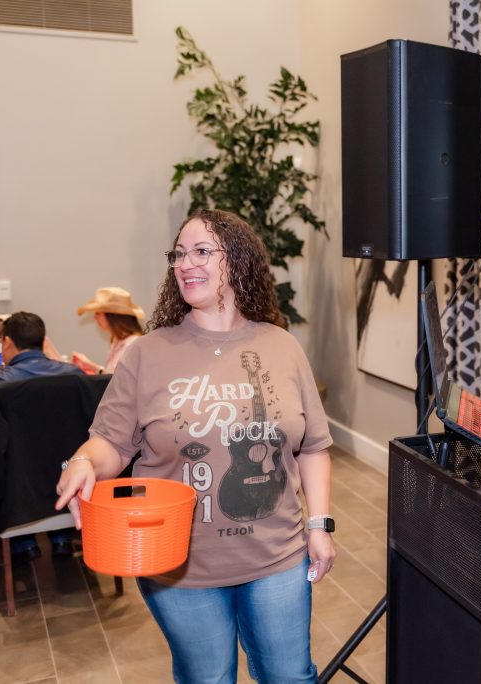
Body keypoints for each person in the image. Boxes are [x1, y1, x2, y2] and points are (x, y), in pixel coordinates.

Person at [55, 209, 335, 683]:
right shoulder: (147, 353)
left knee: (289, 676)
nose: (186, 264)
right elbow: (109, 443)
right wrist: (83, 461)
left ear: (239, 262)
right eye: (179, 255)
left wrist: (319, 524)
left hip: (278, 558)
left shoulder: (282, 346)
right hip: (178, 565)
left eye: (202, 251)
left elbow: (313, 447)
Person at [0, 312, 84, 563]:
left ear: (6, 343)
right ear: (43, 340)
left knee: (13, 463)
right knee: (59, 456)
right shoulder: (76, 375)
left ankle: (24, 544)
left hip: (22, 494)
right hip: (69, 479)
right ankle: (61, 539)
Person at [71, 287, 145, 374]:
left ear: (112, 316)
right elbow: (111, 375)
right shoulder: (117, 340)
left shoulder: (132, 344)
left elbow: (117, 380)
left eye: (98, 313)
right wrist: (89, 365)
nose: (95, 317)